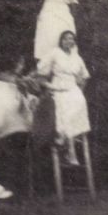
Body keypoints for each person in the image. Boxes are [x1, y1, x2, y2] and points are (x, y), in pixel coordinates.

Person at [36, 30, 90, 165]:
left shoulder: (77, 57)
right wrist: (48, 86)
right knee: (65, 107)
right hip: (58, 87)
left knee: (79, 102)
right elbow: (41, 72)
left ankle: (63, 139)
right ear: (61, 41)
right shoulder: (55, 53)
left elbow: (84, 76)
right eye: (65, 39)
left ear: (74, 42)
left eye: (71, 39)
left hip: (73, 88)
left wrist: (80, 89)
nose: (68, 41)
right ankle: (69, 150)